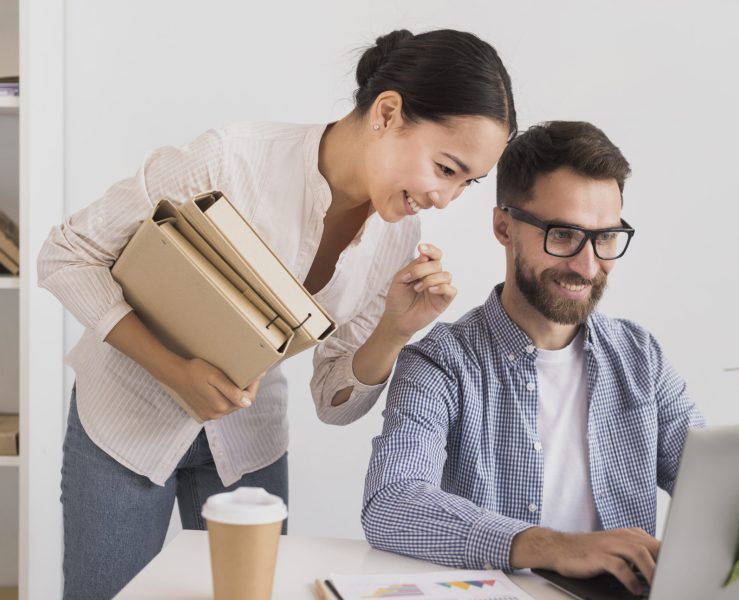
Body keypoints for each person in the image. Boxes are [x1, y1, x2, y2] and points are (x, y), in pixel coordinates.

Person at [38, 28, 516, 600]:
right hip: (123, 422)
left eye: (468, 182)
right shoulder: (231, 159)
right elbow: (65, 253)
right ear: (387, 112)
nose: (448, 198)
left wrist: (394, 330)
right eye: (446, 168)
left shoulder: (397, 238)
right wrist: (173, 371)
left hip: (246, 444)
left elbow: (332, 403)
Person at [361, 121, 704, 596]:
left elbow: (715, 485)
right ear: (504, 226)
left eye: (605, 237)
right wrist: (554, 547)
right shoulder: (442, 362)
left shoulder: (641, 358)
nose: (587, 267)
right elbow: (391, 503)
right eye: (563, 235)